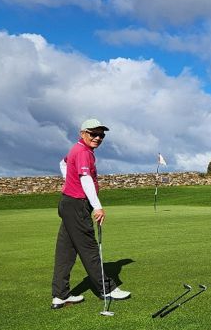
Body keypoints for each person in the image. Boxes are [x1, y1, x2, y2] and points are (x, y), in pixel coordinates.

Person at [51, 119, 131, 309]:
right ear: (82, 133)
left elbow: (63, 163)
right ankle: (107, 288)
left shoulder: (77, 150)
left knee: (66, 251)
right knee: (89, 249)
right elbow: (86, 179)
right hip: (77, 205)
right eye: (93, 134)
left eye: (101, 135)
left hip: (68, 203)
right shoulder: (83, 152)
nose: (97, 138)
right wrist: (97, 206)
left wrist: (70, 181)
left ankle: (60, 295)